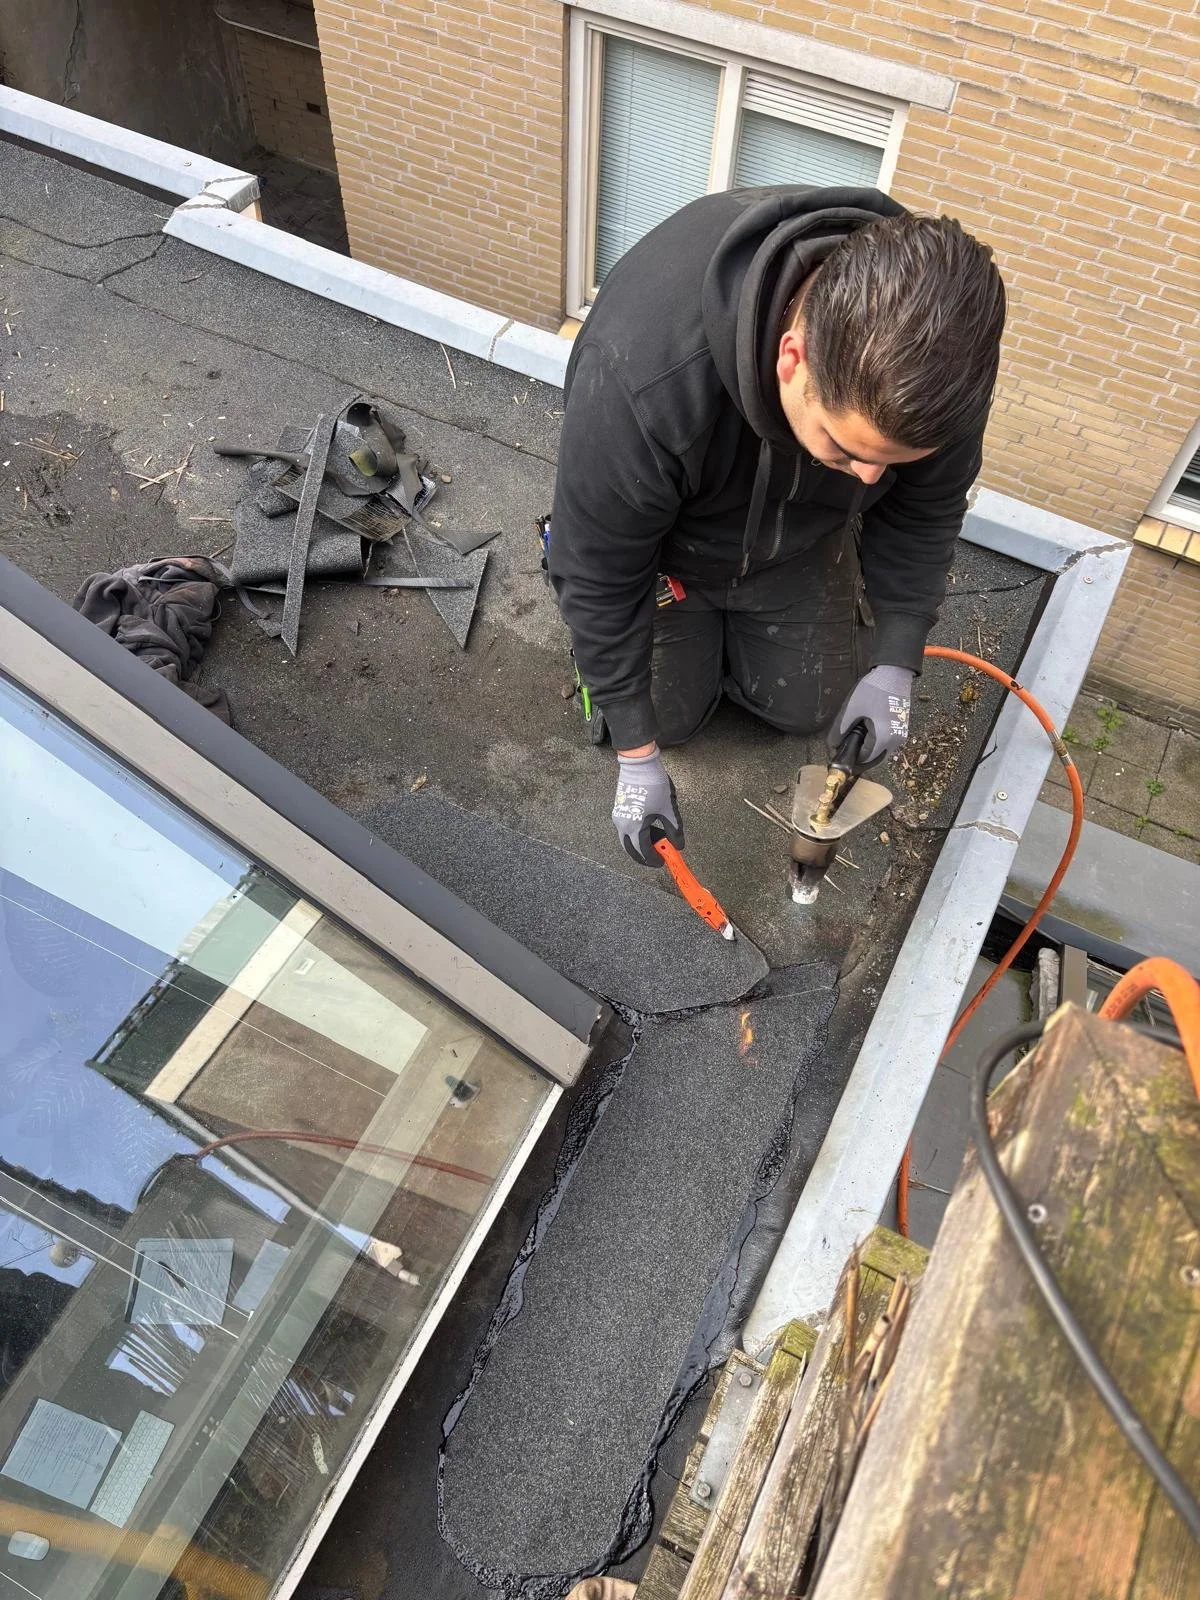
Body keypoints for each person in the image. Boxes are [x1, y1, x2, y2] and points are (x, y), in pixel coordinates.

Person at [547, 186, 1007, 867]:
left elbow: (925, 511)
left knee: (808, 709)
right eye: (847, 450)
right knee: (664, 718)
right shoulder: (644, 377)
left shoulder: (937, 373)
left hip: (798, 542)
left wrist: (896, 659)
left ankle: (743, 632)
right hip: (667, 553)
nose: (870, 480)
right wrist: (636, 756)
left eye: (890, 462)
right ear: (792, 358)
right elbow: (600, 573)